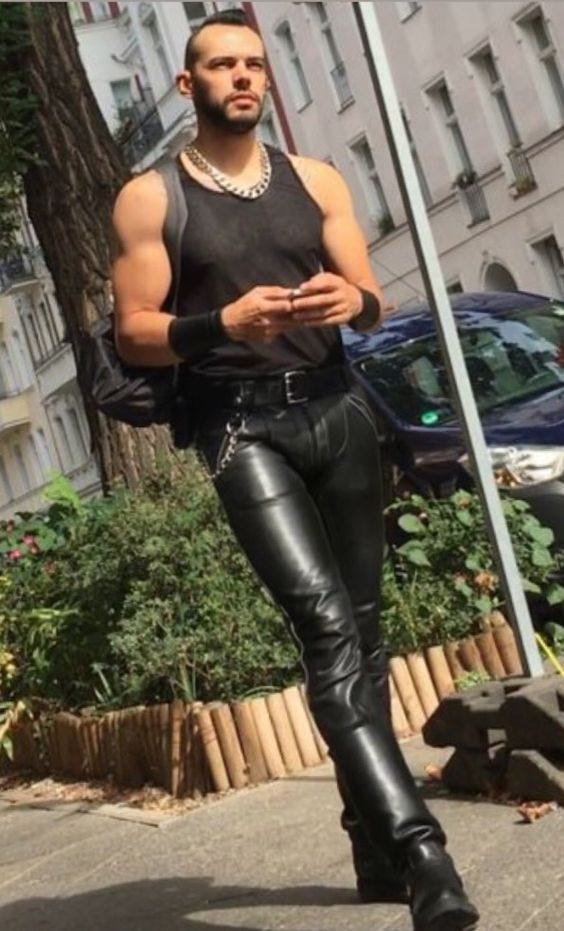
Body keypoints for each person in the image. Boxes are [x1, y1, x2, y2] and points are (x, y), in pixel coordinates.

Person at [111, 10, 479, 931]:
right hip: (242, 429)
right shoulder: (151, 198)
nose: (242, 76)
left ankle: (371, 848)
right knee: (325, 626)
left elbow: (370, 298)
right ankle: (423, 853)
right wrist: (221, 324)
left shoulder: (315, 179)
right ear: (187, 85)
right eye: (221, 65)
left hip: (337, 408)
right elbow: (135, 333)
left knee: (366, 631)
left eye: (253, 64)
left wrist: (349, 297)